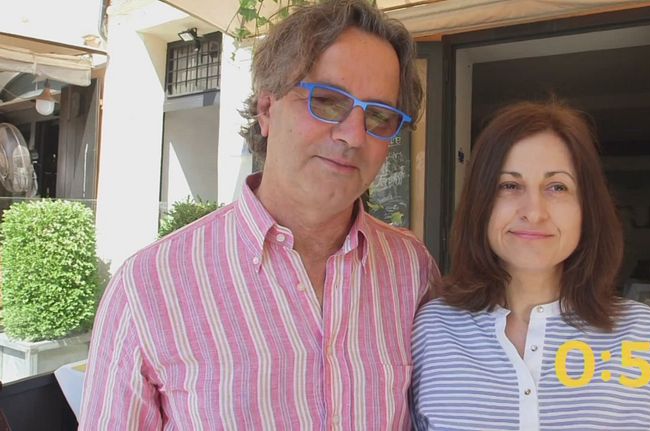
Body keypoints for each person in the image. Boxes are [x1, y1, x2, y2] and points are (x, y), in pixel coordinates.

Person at [81, 1, 437, 429]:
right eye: (327, 101)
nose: (353, 135)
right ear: (267, 108)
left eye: (379, 115)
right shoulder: (148, 287)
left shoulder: (412, 270)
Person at [410, 101, 650, 430]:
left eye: (557, 187)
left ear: (587, 209)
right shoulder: (433, 329)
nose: (534, 212)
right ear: (480, 205)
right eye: (509, 186)